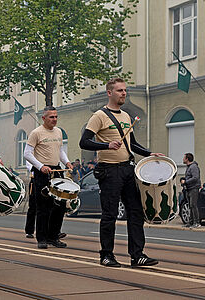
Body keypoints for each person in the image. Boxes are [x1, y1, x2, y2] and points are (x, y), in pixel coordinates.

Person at [79, 77, 162, 267]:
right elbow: (84, 142)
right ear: (109, 93)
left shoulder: (126, 116)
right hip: (109, 171)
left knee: (135, 212)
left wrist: (150, 154)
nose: (124, 93)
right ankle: (106, 255)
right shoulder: (99, 116)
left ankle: (137, 255)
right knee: (110, 214)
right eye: (119, 91)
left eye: (125, 90)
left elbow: (131, 144)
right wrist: (106, 144)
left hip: (127, 169)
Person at [24, 107, 73, 249]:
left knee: (60, 205)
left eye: (56, 117)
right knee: (43, 207)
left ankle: (53, 236)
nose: (54, 119)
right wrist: (40, 166)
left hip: (56, 170)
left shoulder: (58, 132)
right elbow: (27, 153)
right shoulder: (36, 133)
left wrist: (67, 162)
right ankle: (42, 238)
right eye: (51, 117)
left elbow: (60, 150)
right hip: (42, 172)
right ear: (43, 118)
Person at [183, 153, 201, 228]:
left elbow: (195, 177)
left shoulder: (193, 167)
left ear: (187, 159)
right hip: (189, 188)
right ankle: (191, 222)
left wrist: (186, 182)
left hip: (193, 188)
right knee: (190, 206)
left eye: (184, 158)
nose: (183, 159)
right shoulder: (189, 167)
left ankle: (196, 223)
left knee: (193, 205)